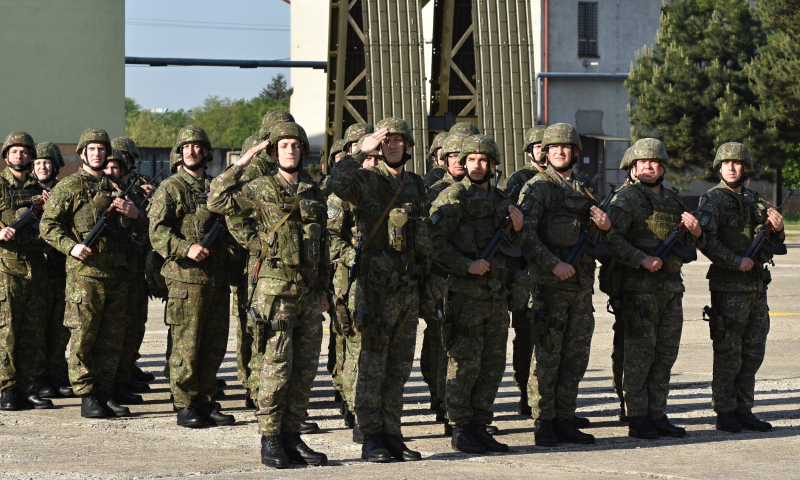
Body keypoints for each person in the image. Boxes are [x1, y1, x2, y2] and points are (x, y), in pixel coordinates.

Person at [208, 122, 330, 468]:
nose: (290, 150)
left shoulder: (313, 190)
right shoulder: (259, 188)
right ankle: (270, 438)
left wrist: (322, 290)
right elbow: (216, 199)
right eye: (283, 146)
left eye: (295, 145)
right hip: (275, 292)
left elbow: (321, 246)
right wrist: (243, 161)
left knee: (304, 369)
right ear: (274, 152)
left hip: (307, 293)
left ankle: (292, 436)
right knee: (276, 367)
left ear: (303, 151)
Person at [328, 117, 442, 463]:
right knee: (372, 364)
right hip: (374, 292)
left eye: (398, 141)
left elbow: (423, 242)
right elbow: (336, 183)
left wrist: (428, 290)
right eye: (386, 141)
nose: (392, 146)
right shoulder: (366, 180)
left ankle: (393, 433)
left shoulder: (416, 185)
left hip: (407, 290)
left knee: (398, 368)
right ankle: (371, 435)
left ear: (408, 146)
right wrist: (358, 152)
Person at [40, 128, 146, 418]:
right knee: (84, 337)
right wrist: (71, 247)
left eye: (102, 149)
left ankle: (105, 391)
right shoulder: (70, 186)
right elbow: (48, 226)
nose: (98, 153)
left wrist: (135, 214)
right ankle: (87, 395)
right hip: (85, 276)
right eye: (92, 149)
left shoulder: (118, 187)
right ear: (82, 153)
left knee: (112, 338)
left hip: (118, 275)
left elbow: (146, 228)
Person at [429, 134, 523, 454]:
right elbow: (432, 244)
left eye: (484, 160)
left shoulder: (502, 201)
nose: (477, 166)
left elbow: (517, 251)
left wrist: (520, 227)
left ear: (493, 164)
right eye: (471, 160)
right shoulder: (452, 198)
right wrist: (465, 265)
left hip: (496, 296)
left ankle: (480, 424)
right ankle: (460, 428)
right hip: (464, 295)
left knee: (492, 365)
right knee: (465, 364)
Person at [518, 123, 610, 446]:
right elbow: (525, 237)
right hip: (548, 288)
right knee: (547, 356)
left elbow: (597, 238)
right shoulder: (537, 188)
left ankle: (565, 418)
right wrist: (552, 264)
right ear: (545, 152)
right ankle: (543, 422)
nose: (558, 151)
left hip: (581, 288)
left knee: (575, 356)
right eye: (552, 147)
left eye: (564, 147)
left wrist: (605, 226)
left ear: (574, 152)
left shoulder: (587, 189)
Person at [606, 137, 704, 439]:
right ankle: (637, 416)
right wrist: (641, 259)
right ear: (632, 166)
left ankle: (657, 413)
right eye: (642, 162)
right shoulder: (625, 199)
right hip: (639, 290)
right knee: (639, 355)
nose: (648, 167)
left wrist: (696, 233)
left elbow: (689, 245)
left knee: (664, 356)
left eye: (654, 162)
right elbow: (610, 239)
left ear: (662, 166)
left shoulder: (673, 200)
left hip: (671, 290)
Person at [148, 126, 236, 428]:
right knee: (186, 344)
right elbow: (157, 232)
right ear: (179, 152)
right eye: (186, 146)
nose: (191, 151)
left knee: (214, 344)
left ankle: (206, 399)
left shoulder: (216, 188)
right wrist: (187, 249)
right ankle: (184, 403)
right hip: (186, 281)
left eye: (197, 146)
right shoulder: (172, 188)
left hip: (216, 279)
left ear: (207, 152)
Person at [696, 142, 782, 433]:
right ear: (719, 168)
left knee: (753, 352)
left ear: (745, 168)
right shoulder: (712, 200)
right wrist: (736, 262)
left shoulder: (755, 200)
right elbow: (706, 241)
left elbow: (774, 245)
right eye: (725, 164)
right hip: (729, 286)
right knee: (729, 351)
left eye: (736, 163)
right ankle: (725, 411)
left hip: (757, 288)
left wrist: (779, 228)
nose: (731, 168)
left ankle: (744, 409)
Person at [327, 135, 383, 429]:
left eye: (377, 157)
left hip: (383, 281)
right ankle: (352, 404)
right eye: (367, 157)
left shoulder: (384, 190)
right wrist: (354, 257)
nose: (372, 163)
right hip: (351, 279)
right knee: (353, 345)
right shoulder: (344, 194)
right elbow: (331, 238)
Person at [0, 131, 53, 411]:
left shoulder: (39, 190)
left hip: (35, 266)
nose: (19, 156)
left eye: (24, 152)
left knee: (33, 331)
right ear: (6, 156)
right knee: (8, 331)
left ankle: (29, 387)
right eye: (14, 151)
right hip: (6, 268)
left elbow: (53, 223)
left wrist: (49, 204)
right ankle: (7, 389)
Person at [421, 132, 467, 428]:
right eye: (455, 156)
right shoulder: (436, 190)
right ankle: (443, 402)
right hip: (441, 278)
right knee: (442, 345)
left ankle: (461, 409)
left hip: (473, 282)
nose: (462, 162)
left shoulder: (483, 190)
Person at [501, 125, 547, 416]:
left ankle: (550, 398)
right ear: (530, 151)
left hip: (558, 271)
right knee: (527, 334)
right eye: (539, 146)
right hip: (525, 271)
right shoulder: (519, 180)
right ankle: (525, 393)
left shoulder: (570, 181)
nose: (545, 150)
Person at [101, 149, 151, 405]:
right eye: (107, 168)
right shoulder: (95, 193)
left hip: (133, 270)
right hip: (106, 271)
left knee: (130, 328)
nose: (111, 172)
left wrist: (137, 212)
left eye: (116, 168)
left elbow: (150, 226)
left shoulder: (133, 194)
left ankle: (123, 378)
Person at [32, 142, 72, 399]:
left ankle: (57, 374)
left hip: (62, 268)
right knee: (37, 326)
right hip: (35, 270)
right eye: (37, 163)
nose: (42, 167)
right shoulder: (26, 191)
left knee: (60, 325)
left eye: (47, 163)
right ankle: (38, 377)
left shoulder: (66, 189)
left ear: (56, 166)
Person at [598, 146, 634, 421]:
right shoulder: (619, 200)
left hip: (659, 285)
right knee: (626, 346)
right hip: (626, 282)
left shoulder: (666, 199)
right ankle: (627, 402)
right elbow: (606, 245)